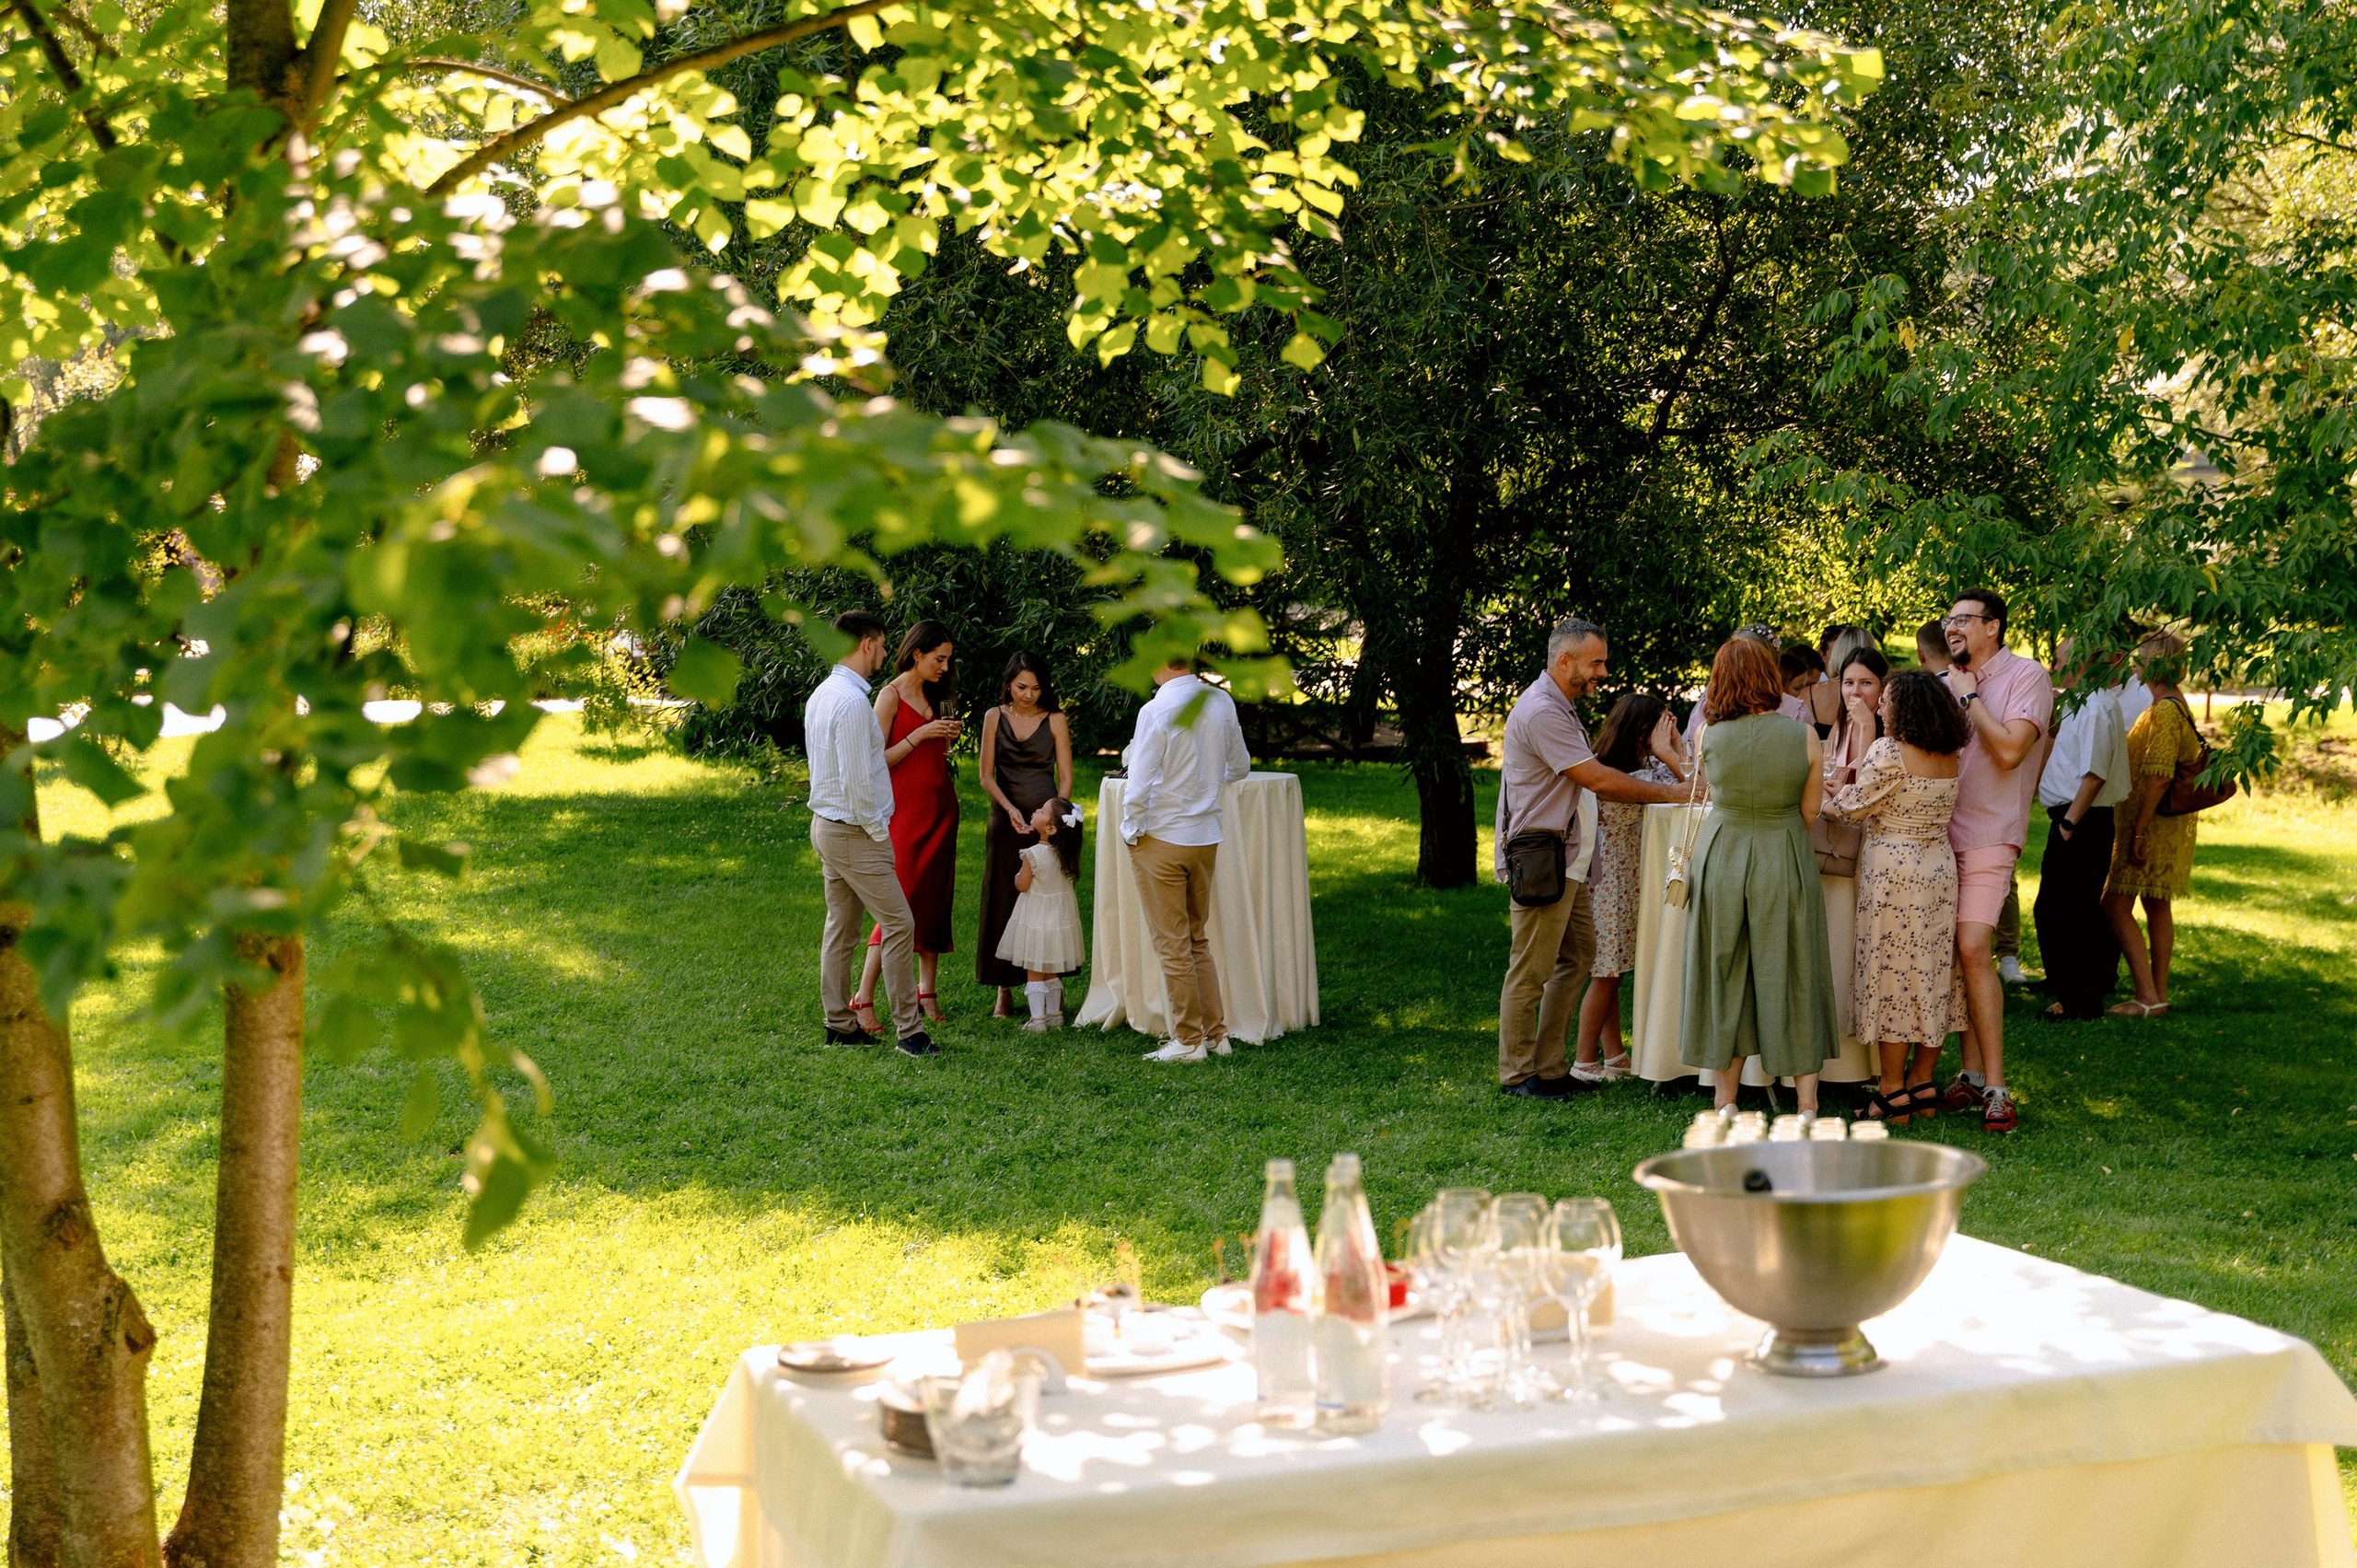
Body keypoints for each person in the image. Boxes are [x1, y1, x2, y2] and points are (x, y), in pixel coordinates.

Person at [1497, 619, 1697, 1098]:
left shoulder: (1559, 706)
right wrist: (1674, 793)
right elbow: (1599, 779)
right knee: (1531, 969)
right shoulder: (1542, 711)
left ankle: (1551, 1067)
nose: (1602, 673)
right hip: (1543, 858)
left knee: (1580, 957)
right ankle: (1518, 1074)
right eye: (1596, 663)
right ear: (1564, 660)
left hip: (1571, 859)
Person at [1678, 637, 1840, 1112]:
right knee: (1796, 968)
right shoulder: (1803, 736)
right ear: (1770, 677)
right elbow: (1810, 810)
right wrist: (1778, 830)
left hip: (1722, 854)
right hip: (1783, 852)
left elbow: (1707, 792)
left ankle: (1724, 1100)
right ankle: (1806, 1103)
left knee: (1725, 969)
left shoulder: (1707, 735)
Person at [1822, 668, 1970, 1123]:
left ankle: (1891, 1092)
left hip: (1894, 876)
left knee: (1894, 978)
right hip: (1938, 870)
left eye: (1886, 700)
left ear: (1904, 708)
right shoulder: (1949, 752)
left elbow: (1851, 809)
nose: (1881, 707)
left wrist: (1824, 797)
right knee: (1932, 974)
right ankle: (1922, 1082)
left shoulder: (1889, 751)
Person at [1933, 588, 2053, 1133]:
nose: (1952, 627)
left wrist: (1969, 699)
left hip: (1990, 835)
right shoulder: (1945, 683)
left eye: (1963, 619)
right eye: (1948, 619)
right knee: (1955, 952)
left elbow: (2009, 751)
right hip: (1936, 837)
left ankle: (1998, 1088)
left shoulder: (2028, 676)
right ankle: (1971, 1073)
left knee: (1974, 945)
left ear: (1993, 627)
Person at [803, 610, 935, 1055]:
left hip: (827, 826)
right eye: (881, 645)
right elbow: (858, 782)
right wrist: (879, 831)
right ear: (866, 644)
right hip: (854, 831)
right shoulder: (853, 703)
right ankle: (909, 1033)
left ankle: (840, 1026)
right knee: (899, 924)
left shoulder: (823, 693)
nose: (884, 653)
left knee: (841, 929)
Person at [1120, 657, 1252, 1063]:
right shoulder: (1220, 701)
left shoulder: (1155, 709)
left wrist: (1130, 830)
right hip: (1205, 837)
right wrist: (1203, 786)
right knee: (1197, 940)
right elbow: (1240, 767)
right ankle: (1216, 1035)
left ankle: (1189, 1040)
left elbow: (1138, 783)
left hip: (1163, 836)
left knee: (1173, 946)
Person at [1570, 692, 1689, 1084]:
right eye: (1663, 726)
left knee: (1610, 970)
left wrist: (1670, 747)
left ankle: (1614, 1054)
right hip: (1611, 883)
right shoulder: (1635, 777)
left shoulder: (1619, 766)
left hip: (1615, 879)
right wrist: (1669, 751)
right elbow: (1697, 787)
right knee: (1606, 975)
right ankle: (1584, 1061)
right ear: (1642, 732)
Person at [849, 621, 960, 1029]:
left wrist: (946, 736)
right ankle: (862, 998)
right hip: (905, 813)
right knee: (899, 904)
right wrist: (921, 734)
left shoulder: (937, 694)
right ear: (917, 654)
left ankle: (926, 991)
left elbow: (937, 753)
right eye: (939, 659)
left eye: (947, 660)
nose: (945, 667)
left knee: (934, 901)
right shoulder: (890, 695)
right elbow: (876, 759)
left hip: (941, 808)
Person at [2105, 632, 2202, 1017]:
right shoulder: (2171, 702)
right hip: (2160, 824)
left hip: (2152, 825)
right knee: (2157, 905)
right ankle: (2157, 995)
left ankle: (2147, 995)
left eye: (2140, 657)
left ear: (2157, 662)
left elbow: (2159, 777)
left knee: (2114, 906)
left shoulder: (2164, 710)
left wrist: (2139, 832)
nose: (2134, 664)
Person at [2032, 639, 2131, 1021]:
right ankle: (2080, 993)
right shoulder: (2079, 703)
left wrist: (2069, 823)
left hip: (2081, 820)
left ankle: (2078, 1000)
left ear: (2079, 663)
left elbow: (2094, 774)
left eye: (2059, 661)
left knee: (2060, 910)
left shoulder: (2095, 706)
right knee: (2068, 908)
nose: (2054, 667)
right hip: (2075, 817)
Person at [976, 653, 1075, 1017]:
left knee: (1047, 901)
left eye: (1036, 688)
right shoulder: (993, 716)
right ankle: (1003, 988)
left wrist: (1054, 820)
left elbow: (1065, 776)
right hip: (1005, 820)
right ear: (1008, 684)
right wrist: (1009, 809)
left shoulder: (1055, 719)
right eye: (1021, 687)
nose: (1029, 695)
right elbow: (985, 775)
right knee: (1004, 897)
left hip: (1045, 822)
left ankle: (1051, 982)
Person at [997, 796, 1086, 1031]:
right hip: (1058, 922)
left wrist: (1017, 877)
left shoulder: (1033, 854)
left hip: (1037, 921)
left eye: (1042, 810)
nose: (1036, 810)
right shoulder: (1066, 856)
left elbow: (1022, 885)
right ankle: (1055, 1015)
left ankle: (1037, 1020)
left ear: (1050, 828)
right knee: (1051, 971)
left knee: (1035, 972)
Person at [1808, 627, 1876, 736]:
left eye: (1866, 683)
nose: (1855, 692)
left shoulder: (1809, 694)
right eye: (1849, 683)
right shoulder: (1886, 698)